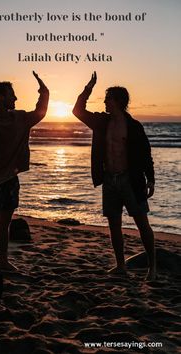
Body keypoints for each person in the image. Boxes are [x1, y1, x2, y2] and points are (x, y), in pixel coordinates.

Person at [72, 72, 156, 280]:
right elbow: (77, 110)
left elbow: (146, 154)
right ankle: (121, 266)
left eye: (108, 98)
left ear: (118, 101)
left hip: (131, 180)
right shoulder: (102, 122)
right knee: (114, 224)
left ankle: (152, 268)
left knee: (142, 223)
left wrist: (151, 179)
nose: (104, 102)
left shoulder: (134, 127)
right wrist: (88, 87)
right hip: (109, 180)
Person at [0, 71, 49, 270]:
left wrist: (44, 90)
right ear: (0, 97)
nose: (15, 98)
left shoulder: (19, 118)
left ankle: (3, 261)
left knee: (5, 223)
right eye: (11, 94)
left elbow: (40, 111)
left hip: (11, 179)